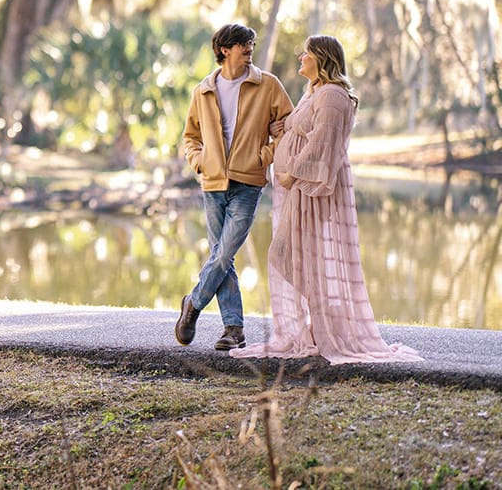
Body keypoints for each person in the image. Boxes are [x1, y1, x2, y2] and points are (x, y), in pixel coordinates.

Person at [231, 36, 421, 364]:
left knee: (286, 253)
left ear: (321, 58)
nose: (300, 56)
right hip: (301, 189)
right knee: (294, 255)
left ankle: (329, 320)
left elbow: (324, 143)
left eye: (306, 52)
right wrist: (284, 128)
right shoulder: (315, 93)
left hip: (312, 189)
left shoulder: (333, 95)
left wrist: (292, 174)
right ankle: (325, 320)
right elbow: (304, 129)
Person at [176, 23, 293, 351]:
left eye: (251, 43)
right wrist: (199, 161)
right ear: (225, 49)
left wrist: (264, 156)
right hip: (212, 183)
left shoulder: (267, 85)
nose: (249, 48)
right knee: (222, 256)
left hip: (248, 182)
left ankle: (194, 303)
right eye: (243, 44)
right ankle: (233, 330)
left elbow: (289, 125)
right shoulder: (203, 90)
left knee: (225, 251)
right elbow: (190, 136)